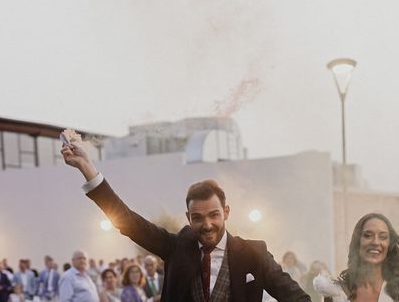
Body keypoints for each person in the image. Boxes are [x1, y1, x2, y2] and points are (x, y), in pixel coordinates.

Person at [61, 128, 310, 302]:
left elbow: (295, 297)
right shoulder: (176, 246)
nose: (208, 224)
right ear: (189, 218)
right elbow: (128, 221)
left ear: (226, 212)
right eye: (198, 218)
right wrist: (87, 168)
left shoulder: (254, 254)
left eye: (214, 215)